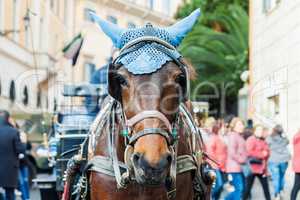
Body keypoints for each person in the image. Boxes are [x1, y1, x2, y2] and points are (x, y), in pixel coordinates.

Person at [0, 110, 25, 200]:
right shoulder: (13, 131)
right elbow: (20, 149)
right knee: (10, 194)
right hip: (10, 168)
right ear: (8, 119)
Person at [243, 125, 271, 200]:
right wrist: (261, 154)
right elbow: (249, 152)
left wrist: (265, 153)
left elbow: (268, 152)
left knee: (266, 189)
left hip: (262, 168)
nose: (260, 132)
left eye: (261, 130)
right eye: (258, 130)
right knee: (247, 189)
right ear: (254, 130)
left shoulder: (263, 140)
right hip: (252, 168)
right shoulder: (251, 139)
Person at [224, 117, 247, 200]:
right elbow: (231, 153)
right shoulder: (233, 136)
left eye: (242, 124)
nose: (242, 126)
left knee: (242, 188)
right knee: (239, 189)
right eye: (240, 124)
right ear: (234, 126)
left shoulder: (239, 136)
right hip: (234, 168)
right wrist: (242, 159)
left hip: (240, 168)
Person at [266, 124, 291, 200]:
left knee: (275, 178)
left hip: (273, 160)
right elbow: (288, 141)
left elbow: (266, 145)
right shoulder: (284, 139)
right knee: (282, 177)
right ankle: (280, 191)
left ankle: (277, 194)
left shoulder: (269, 138)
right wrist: (284, 134)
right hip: (284, 160)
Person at [206, 122, 227, 200]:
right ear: (218, 129)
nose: (225, 129)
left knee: (221, 187)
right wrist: (217, 163)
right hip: (214, 166)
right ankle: (208, 197)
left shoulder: (220, 138)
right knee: (219, 185)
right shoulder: (213, 138)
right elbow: (210, 153)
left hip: (222, 167)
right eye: (223, 128)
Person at [291, 128, 300, 200]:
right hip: (299, 166)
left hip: (298, 165)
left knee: (297, 186)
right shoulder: (297, 138)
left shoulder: (297, 137)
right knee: (297, 186)